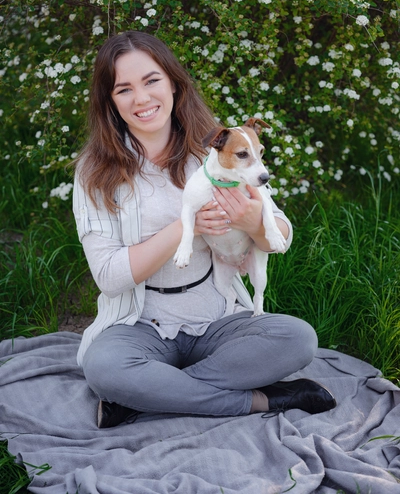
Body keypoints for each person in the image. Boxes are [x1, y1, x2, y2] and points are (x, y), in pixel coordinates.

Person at [72, 31, 336, 428]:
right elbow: (110, 278)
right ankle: (263, 400)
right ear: (110, 101)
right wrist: (186, 226)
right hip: (140, 324)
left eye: (151, 81)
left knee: (298, 339)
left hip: (218, 317)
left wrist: (252, 221)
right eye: (124, 89)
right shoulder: (96, 170)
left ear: (174, 84)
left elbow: (280, 231)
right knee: (105, 368)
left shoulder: (217, 148)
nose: (142, 99)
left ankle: (144, 399)